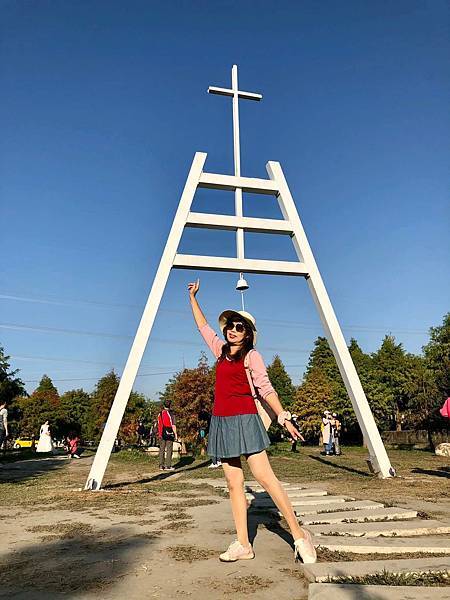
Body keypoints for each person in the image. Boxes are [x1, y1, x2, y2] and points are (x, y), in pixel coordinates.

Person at [188, 278, 316, 564]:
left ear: (247, 333)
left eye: (239, 327)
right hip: (222, 422)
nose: (232, 330)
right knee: (234, 483)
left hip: (246, 420)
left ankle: (299, 536)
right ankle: (243, 544)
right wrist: (193, 298)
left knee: (265, 477)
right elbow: (203, 327)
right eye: (230, 326)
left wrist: (283, 416)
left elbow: (266, 389)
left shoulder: (252, 356)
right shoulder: (219, 351)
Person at [157, 401, 177, 471]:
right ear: (170, 405)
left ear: (163, 405)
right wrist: (175, 434)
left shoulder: (160, 414)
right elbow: (173, 425)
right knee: (169, 449)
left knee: (161, 450)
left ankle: (161, 466)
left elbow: (158, 424)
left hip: (161, 433)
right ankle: (168, 466)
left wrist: (159, 433)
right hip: (169, 433)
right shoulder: (171, 414)